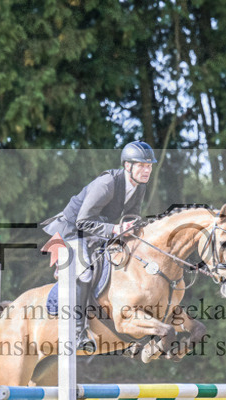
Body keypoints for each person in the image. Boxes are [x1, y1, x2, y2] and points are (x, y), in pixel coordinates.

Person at [41, 141, 157, 352]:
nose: (147, 170)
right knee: (84, 271)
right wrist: (115, 229)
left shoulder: (140, 186)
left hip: (98, 229)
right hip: (72, 229)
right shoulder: (107, 184)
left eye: (149, 166)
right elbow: (82, 222)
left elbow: (132, 215)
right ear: (127, 166)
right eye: (141, 165)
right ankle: (77, 332)